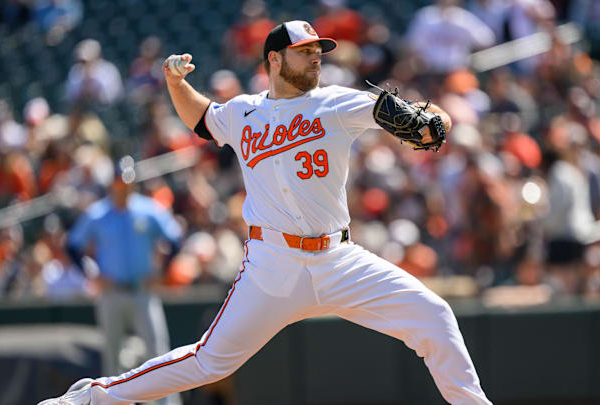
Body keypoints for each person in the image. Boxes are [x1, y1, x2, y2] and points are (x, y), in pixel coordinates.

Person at [39, 20, 491, 405]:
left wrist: (432, 121)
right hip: (272, 265)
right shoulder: (244, 112)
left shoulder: (337, 102)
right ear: (274, 59)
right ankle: (90, 398)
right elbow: (203, 118)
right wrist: (177, 85)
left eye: (318, 50)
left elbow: (433, 121)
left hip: (339, 259)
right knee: (207, 361)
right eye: (304, 51)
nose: (316, 57)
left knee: (434, 317)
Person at [64, 160, 183, 405]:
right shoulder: (98, 213)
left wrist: (161, 270)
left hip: (142, 291)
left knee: (159, 353)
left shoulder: (148, 210)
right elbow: (72, 246)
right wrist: (91, 273)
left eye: (127, 183)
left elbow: (175, 239)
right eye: (119, 182)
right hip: (112, 293)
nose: (123, 188)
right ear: (112, 184)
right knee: (112, 358)